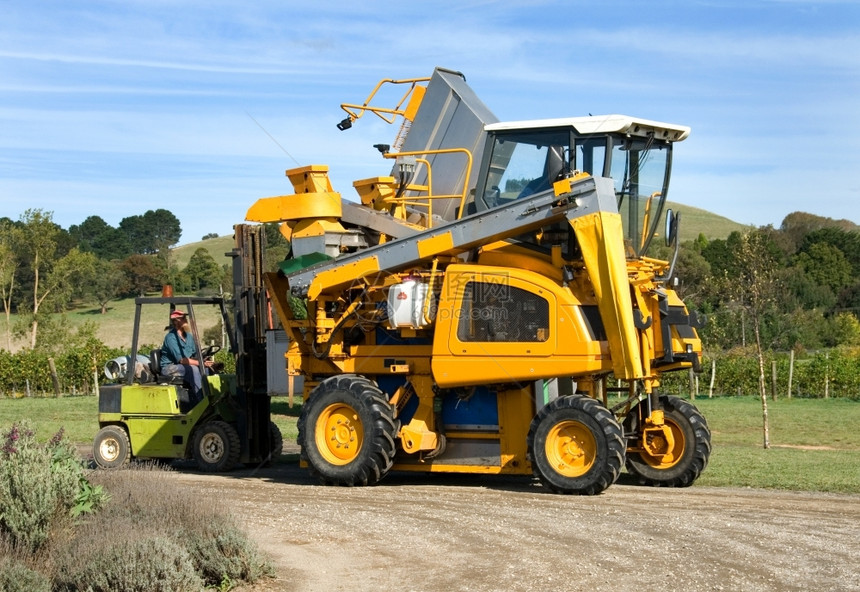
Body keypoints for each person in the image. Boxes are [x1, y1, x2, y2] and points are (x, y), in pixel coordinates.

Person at [160, 310, 212, 405]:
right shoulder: (171, 338)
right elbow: (182, 360)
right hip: (170, 367)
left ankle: (212, 397)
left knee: (207, 369)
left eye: (185, 318)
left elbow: (195, 355)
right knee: (193, 370)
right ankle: (202, 402)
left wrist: (205, 360)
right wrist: (201, 363)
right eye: (183, 318)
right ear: (176, 321)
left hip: (183, 366)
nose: (186, 320)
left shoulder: (189, 336)